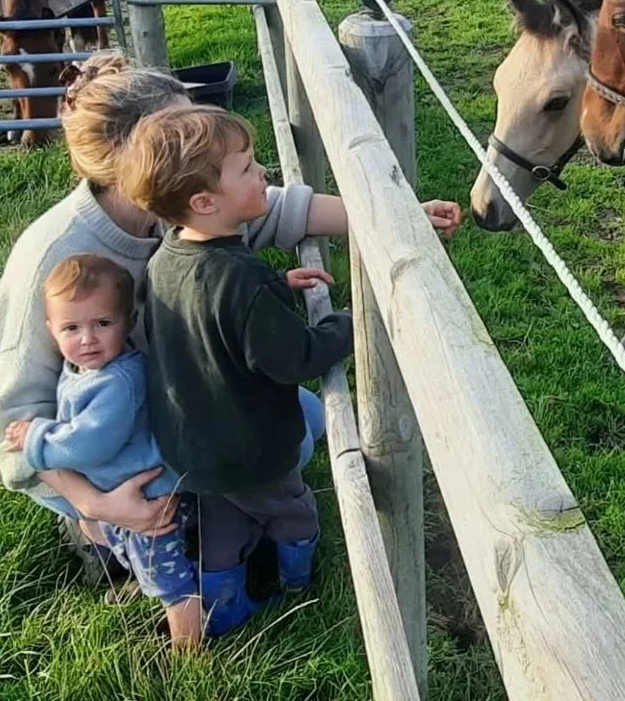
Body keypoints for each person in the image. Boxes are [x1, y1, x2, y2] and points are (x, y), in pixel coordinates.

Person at [0, 52, 461, 590]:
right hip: (88, 442)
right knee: (271, 447)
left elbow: (274, 210)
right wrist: (100, 503)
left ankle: (200, 516)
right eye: (185, 129)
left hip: (163, 398)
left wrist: (394, 212)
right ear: (146, 157)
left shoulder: (175, 207)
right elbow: (10, 427)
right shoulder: (58, 256)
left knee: (305, 421)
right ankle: (98, 532)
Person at [118, 103, 460, 635]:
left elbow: (212, 318)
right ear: (206, 202)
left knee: (224, 525)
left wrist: (277, 290)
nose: (263, 175)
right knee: (292, 510)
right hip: (253, 446)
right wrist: (351, 324)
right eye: (248, 169)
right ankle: (299, 584)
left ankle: (224, 607)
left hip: (191, 448)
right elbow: (293, 358)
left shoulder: (167, 257)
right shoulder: (243, 281)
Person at [4, 254, 200, 648]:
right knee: (121, 545)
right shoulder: (82, 369)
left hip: (151, 498)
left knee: (170, 579)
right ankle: (141, 583)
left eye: (103, 324)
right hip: (118, 491)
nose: (87, 339)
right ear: (51, 331)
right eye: (71, 327)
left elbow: (89, 444)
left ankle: (188, 651)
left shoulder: (118, 382)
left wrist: (36, 438)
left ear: (128, 322)